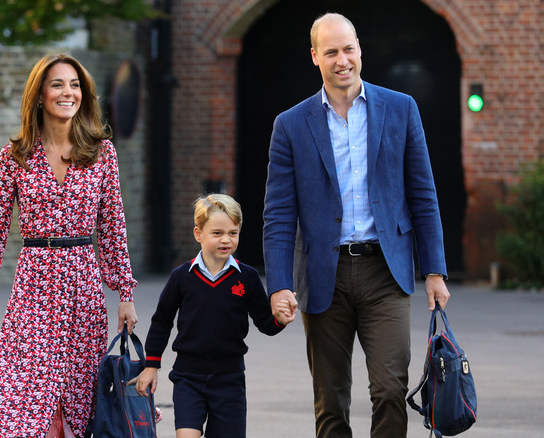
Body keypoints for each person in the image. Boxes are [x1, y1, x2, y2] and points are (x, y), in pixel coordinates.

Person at [262, 12, 451, 438]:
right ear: (315, 57)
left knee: (389, 389)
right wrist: (278, 283)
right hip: (321, 274)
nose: (342, 60)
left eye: (348, 49)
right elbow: (277, 214)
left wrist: (435, 270)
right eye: (331, 52)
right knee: (331, 400)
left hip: (386, 270)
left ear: (360, 49)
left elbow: (424, 196)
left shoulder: (401, 109)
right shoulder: (290, 125)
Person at [0, 53, 138, 438]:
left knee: (79, 401)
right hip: (34, 288)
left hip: (82, 291)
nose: (67, 92)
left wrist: (125, 292)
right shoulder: (15, 155)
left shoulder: (102, 153)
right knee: (20, 401)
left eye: (74, 85)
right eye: (57, 84)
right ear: (39, 94)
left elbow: (113, 228)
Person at [135, 194, 294, 438]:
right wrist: (151, 366)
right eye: (217, 233)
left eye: (233, 233)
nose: (226, 240)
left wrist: (280, 320)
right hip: (188, 377)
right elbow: (162, 322)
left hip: (229, 380)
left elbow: (265, 323)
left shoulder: (247, 277)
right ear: (198, 233)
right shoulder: (181, 277)